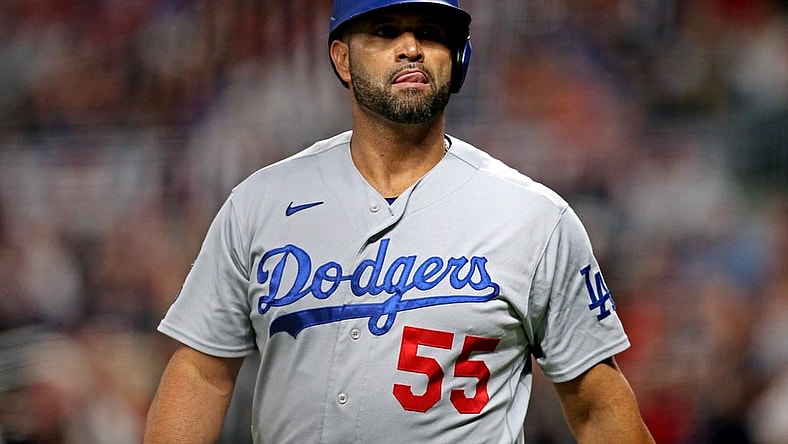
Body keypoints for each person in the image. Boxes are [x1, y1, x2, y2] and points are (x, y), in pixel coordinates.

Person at [142, 0, 655, 442]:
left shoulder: (534, 217)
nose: (410, 48)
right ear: (342, 58)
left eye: (430, 34)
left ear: (458, 58)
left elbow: (598, 407)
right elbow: (202, 373)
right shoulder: (260, 203)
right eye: (386, 31)